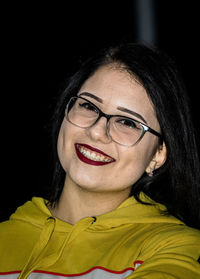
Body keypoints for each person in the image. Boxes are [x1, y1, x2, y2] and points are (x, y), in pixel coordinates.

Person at [0, 42, 200, 279]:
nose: (96, 131)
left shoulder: (176, 247)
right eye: (88, 106)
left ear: (158, 154)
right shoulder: (7, 234)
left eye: (127, 122)